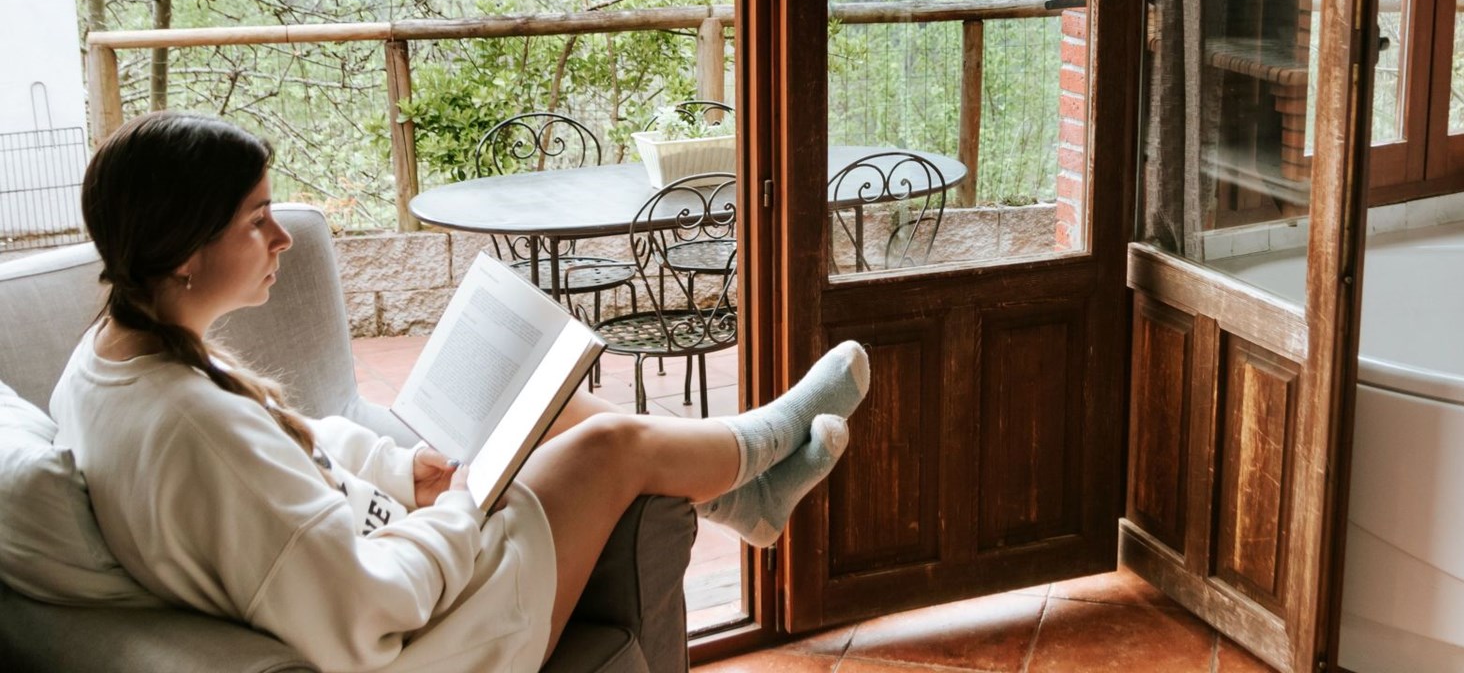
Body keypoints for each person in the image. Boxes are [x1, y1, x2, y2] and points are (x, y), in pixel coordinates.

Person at [50, 111, 869, 673]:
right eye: (257, 218)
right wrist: (460, 507)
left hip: (397, 556)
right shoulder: (192, 428)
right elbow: (363, 609)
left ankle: (745, 497)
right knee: (608, 444)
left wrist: (398, 470)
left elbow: (298, 446)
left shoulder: (113, 357)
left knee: (551, 401)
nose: (282, 237)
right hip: (434, 642)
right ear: (184, 249)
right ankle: (760, 447)